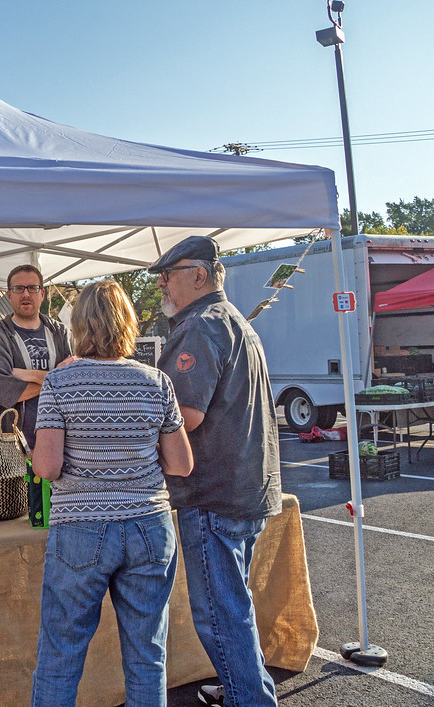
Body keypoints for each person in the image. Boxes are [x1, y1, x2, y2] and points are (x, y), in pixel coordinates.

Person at [30, 280, 192, 706]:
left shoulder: (60, 383)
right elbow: (181, 465)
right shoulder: (156, 382)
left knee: (60, 655)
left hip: (80, 527)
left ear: (79, 325)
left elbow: (47, 467)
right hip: (149, 527)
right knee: (147, 656)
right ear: (127, 323)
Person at [149, 236, 282, 707]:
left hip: (214, 494)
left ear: (199, 274)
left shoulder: (200, 326)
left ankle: (250, 699)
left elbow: (183, 415)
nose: (162, 284)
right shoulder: (234, 321)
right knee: (233, 606)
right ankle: (245, 688)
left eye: (168, 274)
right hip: (246, 487)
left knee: (222, 615)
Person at [0, 264, 73, 449]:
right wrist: (56, 376)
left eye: (32, 288)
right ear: (9, 295)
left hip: (55, 443)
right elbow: (2, 390)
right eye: (18, 288)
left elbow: (72, 383)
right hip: (8, 446)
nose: (26, 294)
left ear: (42, 294)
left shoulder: (60, 332)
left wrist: (30, 375)